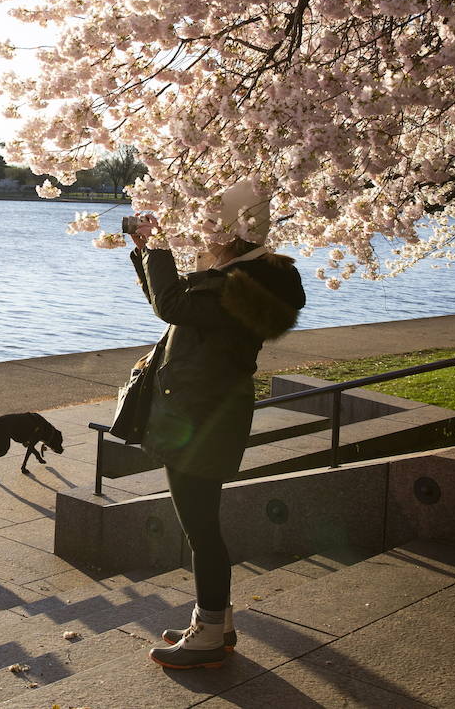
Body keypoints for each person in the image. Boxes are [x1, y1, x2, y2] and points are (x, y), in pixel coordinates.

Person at [128, 181, 305, 670]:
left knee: (201, 529)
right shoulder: (244, 280)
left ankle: (207, 633)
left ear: (232, 232)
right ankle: (216, 622)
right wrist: (145, 252)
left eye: (210, 224)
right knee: (201, 524)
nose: (201, 232)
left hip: (203, 416)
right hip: (207, 411)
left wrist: (158, 247)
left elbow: (172, 306)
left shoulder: (236, 287)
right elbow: (172, 306)